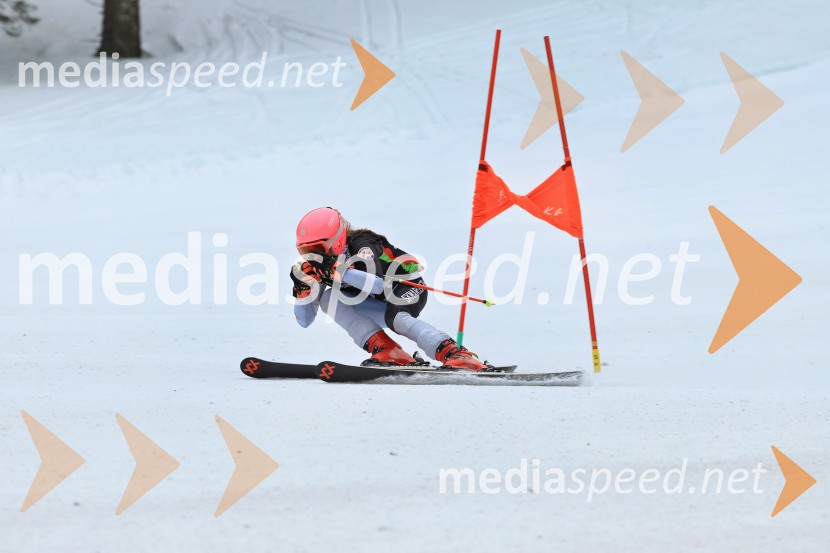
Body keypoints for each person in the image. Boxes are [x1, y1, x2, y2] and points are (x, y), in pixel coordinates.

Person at [289, 207, 491, 371]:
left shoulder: (362, 244)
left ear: (337, 240)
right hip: (375, 300)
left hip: (406, 288)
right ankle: (389, 351)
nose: (312, 256)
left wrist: (337, 271)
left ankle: (455, 353)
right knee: (327, 299)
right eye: (305, 251)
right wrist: (304, 291)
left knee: (397, 318)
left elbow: (377, 285)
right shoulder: (322, 264)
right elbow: (304, 321)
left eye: (317, 249)